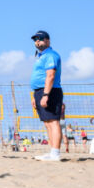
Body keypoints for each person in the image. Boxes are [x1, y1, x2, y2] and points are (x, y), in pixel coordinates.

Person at [30, 30, 64, 161]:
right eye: (35, 39)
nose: (37, 41)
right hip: (40, 91)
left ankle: (55, 153)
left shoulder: (51, 55)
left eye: (40, 39)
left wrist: (45, 94)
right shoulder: (41, 56)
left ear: (48, 41)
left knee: (53, 122)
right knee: (47, 123)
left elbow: (50, 76)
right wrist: (35, 96)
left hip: (50, 91)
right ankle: (52, 152)